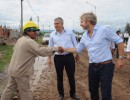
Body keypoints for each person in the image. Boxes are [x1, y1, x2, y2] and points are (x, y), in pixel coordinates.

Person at [61, 12, 124, 100]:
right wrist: (63, 49)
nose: (80, 24)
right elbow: (77, 49)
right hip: (92, 67)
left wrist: (120, 58)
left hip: (105, 67)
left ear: (88, 22)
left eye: (82, 22)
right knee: (93, 91)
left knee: (105, 93)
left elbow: (119, 41)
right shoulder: (84, 35)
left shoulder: (104, 30)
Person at [1, 21, 62, 100]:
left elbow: (17, 51)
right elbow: (41, 51)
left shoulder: (20, 39)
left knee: (9, 89)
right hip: (21, 72)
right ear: (28, 31)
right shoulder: (29, 41)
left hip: (13, 70)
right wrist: (56, 48)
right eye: (34, 31)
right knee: (25, 92)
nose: (36, 33)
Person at [48, 17, 80, 100]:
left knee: (71, 76)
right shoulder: (52, 34)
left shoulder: (70, 32)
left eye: (57, 23)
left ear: (62, 24)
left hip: (69, 57)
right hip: (58, 58)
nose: (55, 25)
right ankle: (61, 94)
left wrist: (77, 54)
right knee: (59, 76)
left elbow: (75, 44)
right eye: (54, 24)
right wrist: (49, 58)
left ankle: (73, 94)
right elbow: (50, 47)